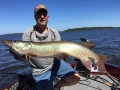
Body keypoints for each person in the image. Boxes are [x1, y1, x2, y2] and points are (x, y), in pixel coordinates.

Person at [10, 4, 80, 90]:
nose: (42, 16)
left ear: (48, 17)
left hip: (55, 64)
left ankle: (57, 86)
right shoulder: (28, 33)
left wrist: (63, 55)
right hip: (40, 70)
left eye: (44, 14)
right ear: (35, 16)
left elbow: (58, 55)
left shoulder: (54, 32)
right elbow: (25, 59)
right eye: (39, 14)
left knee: (76, 78)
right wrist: (17, 55)